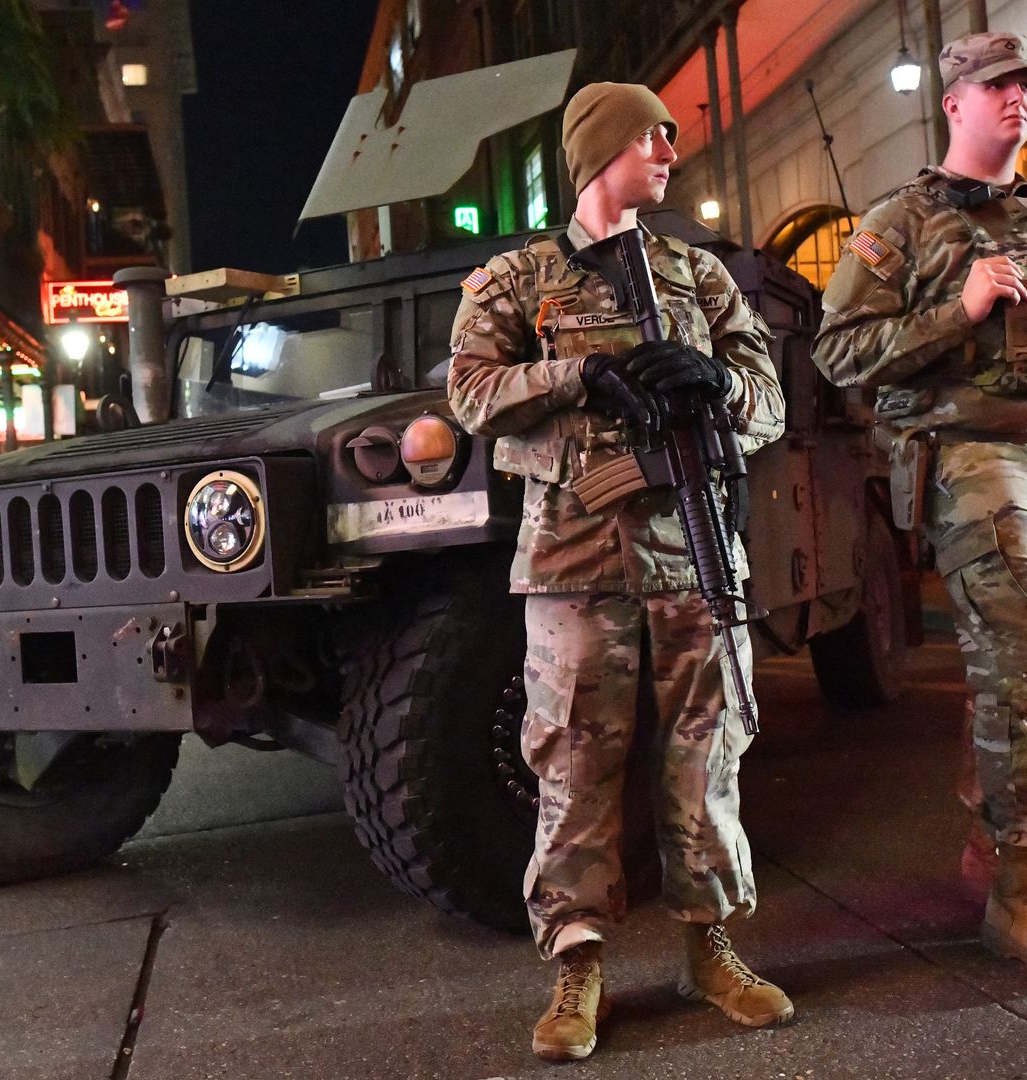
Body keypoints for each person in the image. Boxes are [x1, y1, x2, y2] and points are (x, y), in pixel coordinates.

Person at [447, 81, 792, 1061]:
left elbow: (767, 401)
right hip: (575, 558)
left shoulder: (698, 274)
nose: (672, 150)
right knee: (573, 756)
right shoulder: (517, 280)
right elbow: (472, 393)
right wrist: (580, 375)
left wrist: (720, 385)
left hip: (694, 548)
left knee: (709, 744)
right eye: (654, 135)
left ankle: (709, 945)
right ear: (600, 149)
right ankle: (577, 968)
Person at [812, 32, 1027, 981]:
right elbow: (838, 355)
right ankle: (1022, 895)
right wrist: (953, 313)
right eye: (997, 85)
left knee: (1026, 676)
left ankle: (997, 852)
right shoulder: (902, 225)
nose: (1018, 97)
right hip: (974, 469)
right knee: (1024, 676)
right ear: (954, 102)